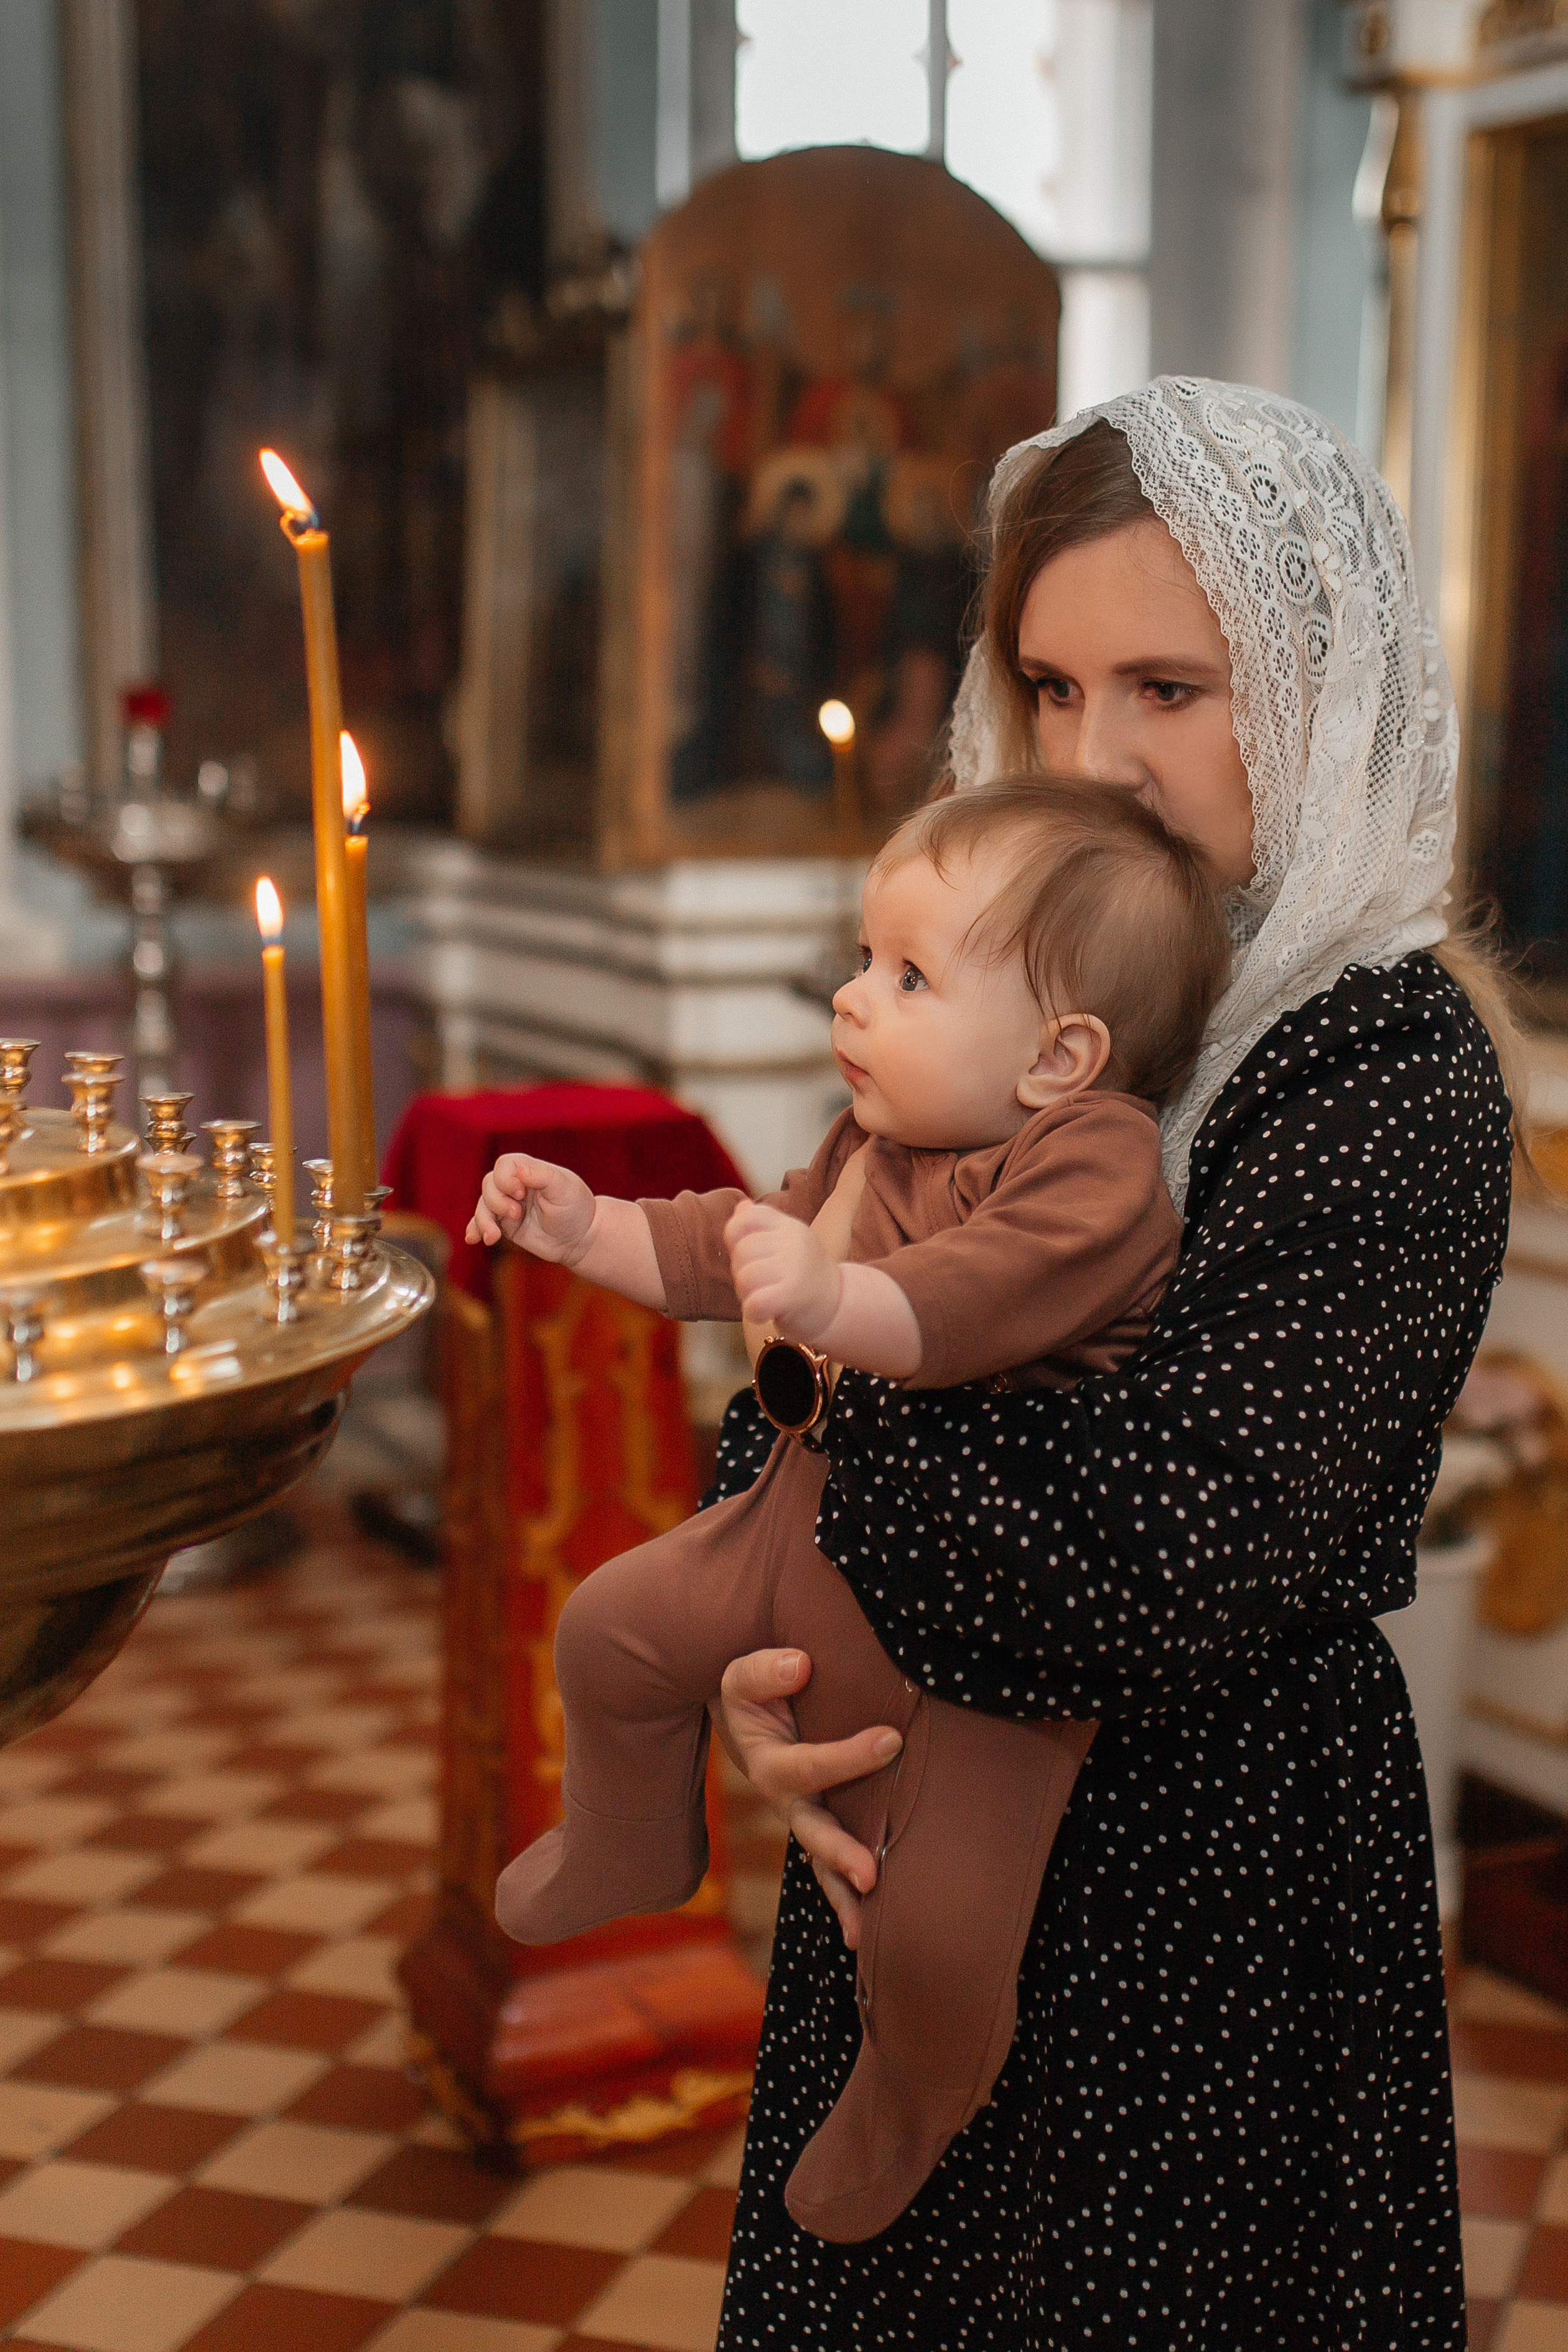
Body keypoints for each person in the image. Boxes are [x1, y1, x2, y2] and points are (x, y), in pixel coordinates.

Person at [706, 379, 1521, 2349]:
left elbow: (1161, 1563)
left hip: (1197, 1919)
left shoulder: (1384, 1070)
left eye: (1171, 686)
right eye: (1053, 689)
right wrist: (754, 1652)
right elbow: (773, 1418)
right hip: (906, 1850)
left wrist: (834, 1391)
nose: (1097, 759)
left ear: (1321, 692)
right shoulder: (1016, 1013)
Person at [470, 777, 1229, 2243]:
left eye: (908, 977)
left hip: (978, 1620)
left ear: (1061, 1056)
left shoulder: (1100, 1162)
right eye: (861, 960)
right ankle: (633, 1837)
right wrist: (595, 1230)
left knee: (940, 1930)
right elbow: (735, 1240)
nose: (851, 999)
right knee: (612, 1628)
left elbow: (973, 1296)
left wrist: (834, 1297)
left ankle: (918, 2088)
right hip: (797, 1517)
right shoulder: (872, 1143)